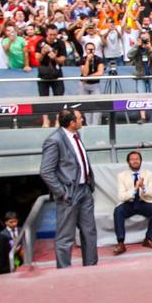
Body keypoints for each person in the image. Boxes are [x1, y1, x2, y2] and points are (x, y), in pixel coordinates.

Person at [39, 108, 98, 269]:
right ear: (72, 123)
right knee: (66, 236)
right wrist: (61, 192)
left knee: (89, 232)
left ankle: (91, 266)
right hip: (69, 193)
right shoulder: (54, 140)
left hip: (85, 189)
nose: (82, 121)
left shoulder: (75, 136)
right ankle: (64, 271)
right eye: (80, 118)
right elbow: (46, 171)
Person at [113, 151, 152, 254]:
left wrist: (143, 187)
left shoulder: (148, 174)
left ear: (141, 161)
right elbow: (121, 196)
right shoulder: (122, 175)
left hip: (143, 201)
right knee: (118, 211)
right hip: (129, 203)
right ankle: (121, 243)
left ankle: (148, 239)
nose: (135, 161)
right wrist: (135, 188)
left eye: (137, 159)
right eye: (132, 159)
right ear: (128, 162)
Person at [129, 30, 152, 123]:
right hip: (141, 74)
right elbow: (129, 55)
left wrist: (150, 49)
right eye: (143, 39)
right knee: (141, 96)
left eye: (147, 39)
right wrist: (137, 45)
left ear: (150, 39)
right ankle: (143, 117)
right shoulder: (137, 47)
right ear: (139, 39)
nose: (145, 40)